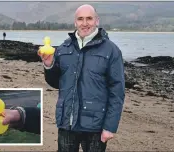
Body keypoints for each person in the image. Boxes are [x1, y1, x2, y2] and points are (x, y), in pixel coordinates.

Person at [38, 4, 125, 152]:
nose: (85, 23)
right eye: (80, 19)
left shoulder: (111, 50)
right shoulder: (64, 48)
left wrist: (109, 127)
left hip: (95, 126)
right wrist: (49, 65)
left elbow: (117, 92)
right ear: (75, 22)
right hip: (67, 122)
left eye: (89, 18)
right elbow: (56, 83)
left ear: (97, 21)